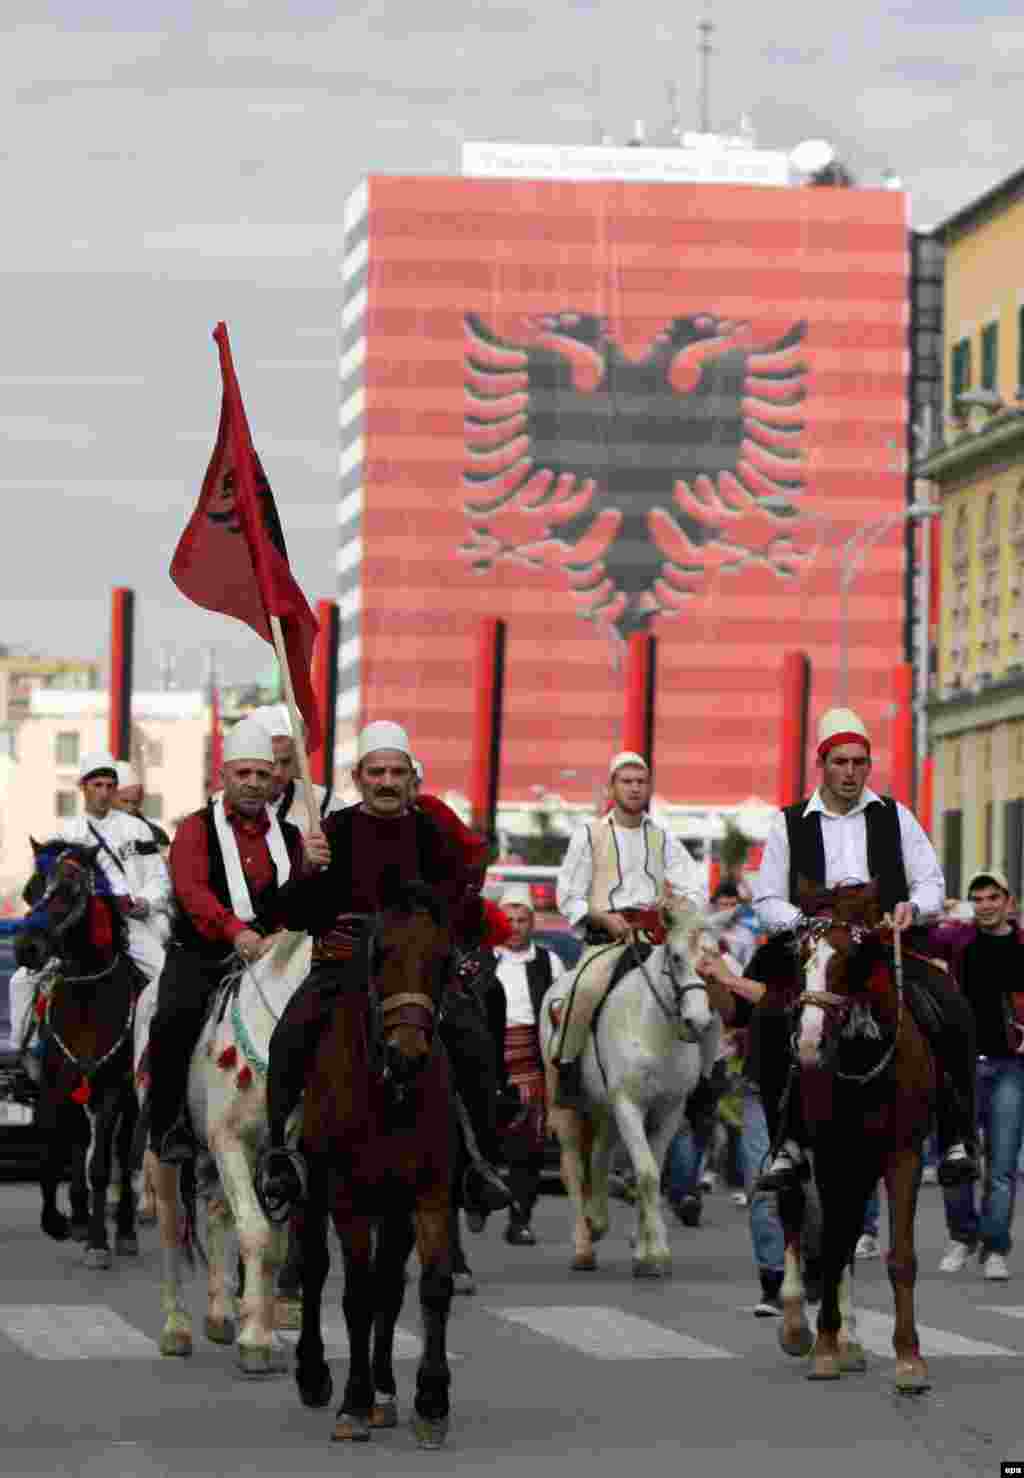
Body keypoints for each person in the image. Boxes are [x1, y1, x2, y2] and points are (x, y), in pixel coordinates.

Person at [254, 720, 513, 1225]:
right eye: (377, 772)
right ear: (359, 776)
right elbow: (292, 914)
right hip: (345, 968)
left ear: (411, 777)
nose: (387, 781)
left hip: (415, 972)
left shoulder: (433, 831)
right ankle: (282, 1155)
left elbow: (459, 900)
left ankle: (482, 1160)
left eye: (397, 771)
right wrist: (308, 870)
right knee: (289, 1036)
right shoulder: (333, 831)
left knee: (473, 1035)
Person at [749, 705, 978, 1193]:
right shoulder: (788, 823)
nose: (850, 772)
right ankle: (785, 1143)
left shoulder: (897, 816)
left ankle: (957, 1138)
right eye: (840, 762)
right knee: (769, 1017)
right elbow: (766, 897)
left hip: (880, 946)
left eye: (859, 762)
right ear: (823, 764)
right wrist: (803, 922)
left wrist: (911, 910)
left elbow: (931, 883)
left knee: (949, 1002)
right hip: (816, 951)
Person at [147, 718, 310, 1164]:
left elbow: (300, 897)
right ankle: (169, 1124)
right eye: (244, 774)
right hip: (204, 952)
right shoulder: (196, 829)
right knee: (173, 1018)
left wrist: (315, 870)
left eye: (263, 774)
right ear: (224, 777)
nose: (254, 783)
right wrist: (234, 930)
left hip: (275, 954)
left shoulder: (293, 837)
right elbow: (192, 891)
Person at [554, 750, 710, 1111]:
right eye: (627, 781)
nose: (635, 788)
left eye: (641, 782)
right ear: (612, 787)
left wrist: (681, 905)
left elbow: (693, 886)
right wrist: (602, 917)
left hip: (655, 942)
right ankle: (569, 1073)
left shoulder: (662, 837)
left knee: (703, 989)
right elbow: (568, 894)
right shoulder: (588, 835)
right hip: (606, 941)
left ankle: (704, 1078)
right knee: (586, 988)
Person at [928, 869, 1024, 1281]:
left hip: (1010, 1067)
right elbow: (915, 933)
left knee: (1001, 1165)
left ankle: (995, 1247)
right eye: (978, 898)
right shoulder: (957, 939)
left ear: (1008, 901)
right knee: (958, 1159)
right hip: (961, 1067)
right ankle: (962, 1237)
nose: (985, 905)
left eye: (992, 897)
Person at [491, 884, 566, 1245]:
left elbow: (561, 1013)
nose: (516, 926)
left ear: (532, 923)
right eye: (510, 919)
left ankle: (520, 1217)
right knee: (481, 1137)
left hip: (532, 1059)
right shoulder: (482, 958)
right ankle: (477, 1200)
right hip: (487, 1058)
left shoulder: (549, 962)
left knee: (528, 1145)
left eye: (522, 920)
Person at [59, 752, 172, 985]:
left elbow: (159, 878)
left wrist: (146, 901)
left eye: (110, 786)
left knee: (165, 977)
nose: (103, 792)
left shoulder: (137, 829)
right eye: (97, 785)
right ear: (83, 787)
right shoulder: (65, 834)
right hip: (79, 927)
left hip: (128, 924)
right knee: (21, 982)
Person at [246, 704, 347, 833]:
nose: (278, 772)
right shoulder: (223, 810)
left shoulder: (324, 805)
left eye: (285, 761)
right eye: (270, 763)